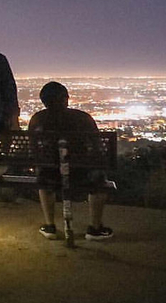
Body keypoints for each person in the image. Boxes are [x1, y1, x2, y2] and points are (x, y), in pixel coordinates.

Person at [29, 81, 114, 241]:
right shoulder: (83, 118)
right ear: (66, 99)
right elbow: (97, 149)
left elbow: (33, 150)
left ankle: (50, 226)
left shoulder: (36, 119)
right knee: (99, 181)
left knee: (43, 181)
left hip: (50, 175)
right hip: (81, 174)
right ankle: (95, 229)